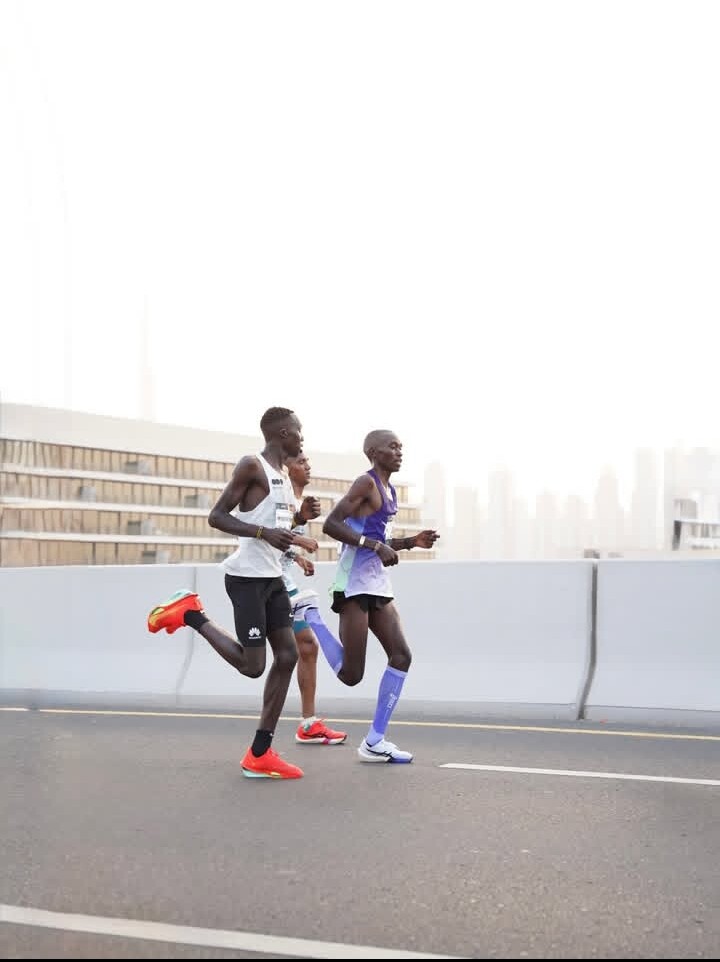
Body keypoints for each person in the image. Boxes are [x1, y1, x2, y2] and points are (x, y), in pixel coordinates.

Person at [146, 407, 321, 780]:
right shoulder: (252, 466)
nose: (303, 438)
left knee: (288, 655)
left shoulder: (283, 477)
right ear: (282, 434)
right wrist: (263, 533)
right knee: (253, 666)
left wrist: (298, 524)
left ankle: (260, 753)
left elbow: (274, 529)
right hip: (246, 580)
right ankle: (191, 614)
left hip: (272, 579)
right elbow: (217, 516)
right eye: (299, 432)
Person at [316, 429, 440, 763]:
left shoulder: (390, 490)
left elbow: (379, 538)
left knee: (401, 656)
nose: (399, 452)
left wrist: (411, 542)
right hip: (353, 584)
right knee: (351, 675)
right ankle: (310, 617)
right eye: (392, 447)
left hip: (378, 584)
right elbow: (331, 525)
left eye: (401, 447)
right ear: (373, 452)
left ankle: (374, 740)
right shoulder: (365, 483)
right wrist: (374, 546)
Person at [281, 453, 347, 746]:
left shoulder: (299, 500)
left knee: (306, 647)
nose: (308, 466)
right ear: (286, 468)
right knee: (254, 660)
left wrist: (296, 558)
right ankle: (193, 617)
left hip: (283, 581)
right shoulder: (281, 497)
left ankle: (308, 724)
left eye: (308, 462)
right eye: (301, 462)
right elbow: (265, 535)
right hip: (265, 582)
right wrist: (300, 540)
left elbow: (279, 542)